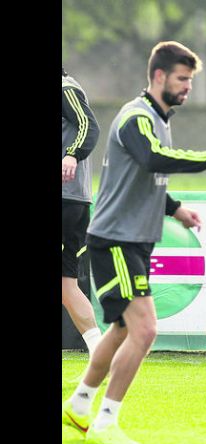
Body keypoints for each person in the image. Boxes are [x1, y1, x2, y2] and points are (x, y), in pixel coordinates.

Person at [61, 41, 206, 444]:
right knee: (144, 331)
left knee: (122, 330)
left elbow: (144, 176)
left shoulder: (158, 119)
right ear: (160, 76)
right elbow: (155, 159)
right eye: (183, 79)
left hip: (133, 239)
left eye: (191, 80)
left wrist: (175, 208)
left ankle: (79, 404)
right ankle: (106, 422)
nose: (188, 88)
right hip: (116, 239)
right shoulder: (136, 117)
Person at [62, 67, 103, 377]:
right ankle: (100, 354)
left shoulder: (66, 88)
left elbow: (89, 125)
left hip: (66, 197)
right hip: (73, 199)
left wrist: (72, 154)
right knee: (67, 285)